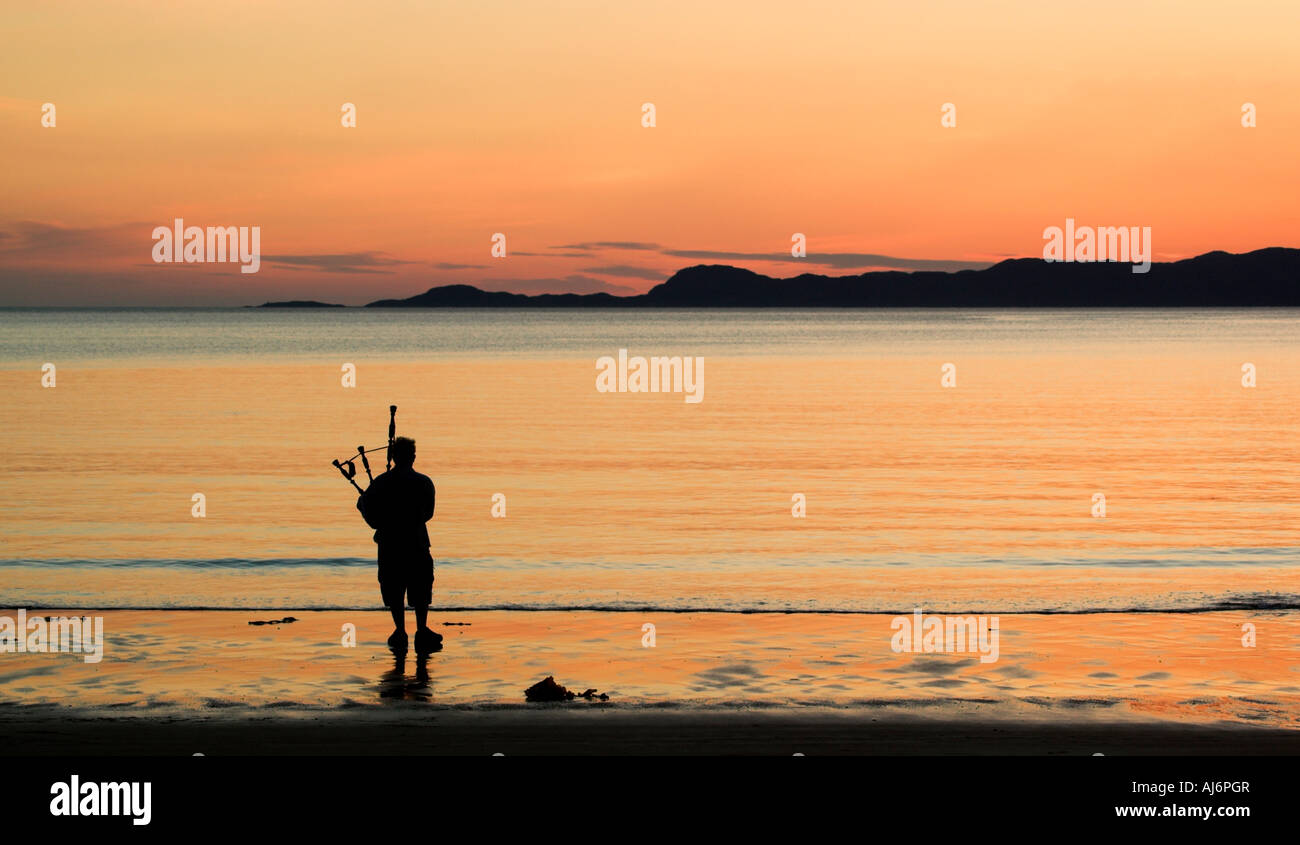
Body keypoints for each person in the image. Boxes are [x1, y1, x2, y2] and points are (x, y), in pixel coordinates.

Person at [356, 436, 442, 654]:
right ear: (412, 457)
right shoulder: (424, 482)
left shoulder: (380, 483)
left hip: (390, 546)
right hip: (417, 544)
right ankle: (421, 630)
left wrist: (363, 504)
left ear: (393, 457)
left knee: (394, 588)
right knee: (421, 589)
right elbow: (428, 513)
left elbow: (373, 520)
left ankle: (400, 631)